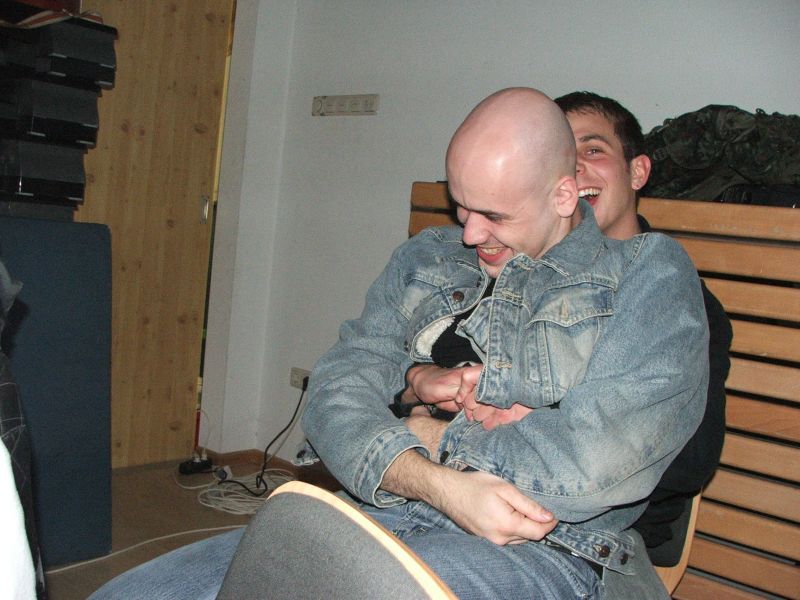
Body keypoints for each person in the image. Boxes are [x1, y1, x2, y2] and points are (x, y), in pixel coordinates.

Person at [90, 88, 709, 599]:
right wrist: (434, 477)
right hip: (382, 509)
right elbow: (336, 391)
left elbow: (593, 463)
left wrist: (431, 436)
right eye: (461, 206)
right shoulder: (427, 258)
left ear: (564, 195)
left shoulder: (646, 273)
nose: (469, 234)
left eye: (494, 216)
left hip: (545, 550)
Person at [553, 92, 732, 567]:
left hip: (598, 542)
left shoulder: (679, 304)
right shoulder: (520, 277)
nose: (574, 167)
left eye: (593, 149)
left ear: (637, 172)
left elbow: (687, 461)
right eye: (559, 155)